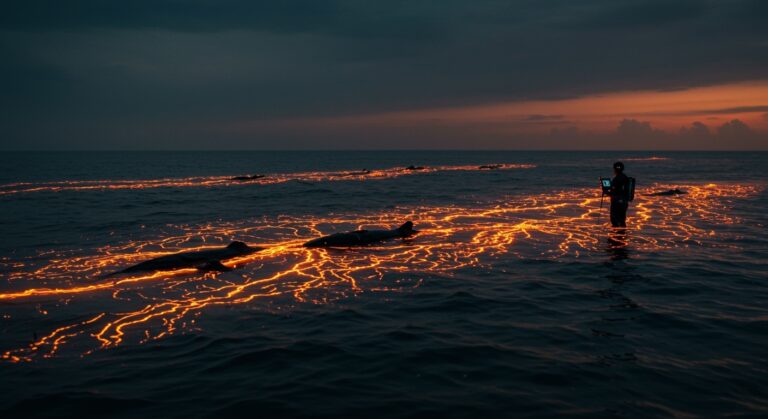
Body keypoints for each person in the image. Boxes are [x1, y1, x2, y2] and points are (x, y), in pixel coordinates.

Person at [607, 161, 630, 227]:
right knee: (621, 219)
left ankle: (617, 233)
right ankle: (622, 232)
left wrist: (607, 192)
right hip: (624, 201)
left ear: (614, 169)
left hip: (617, 202)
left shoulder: (617, 179)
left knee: (615, 220)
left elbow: (615, 191)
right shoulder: (625, 177)